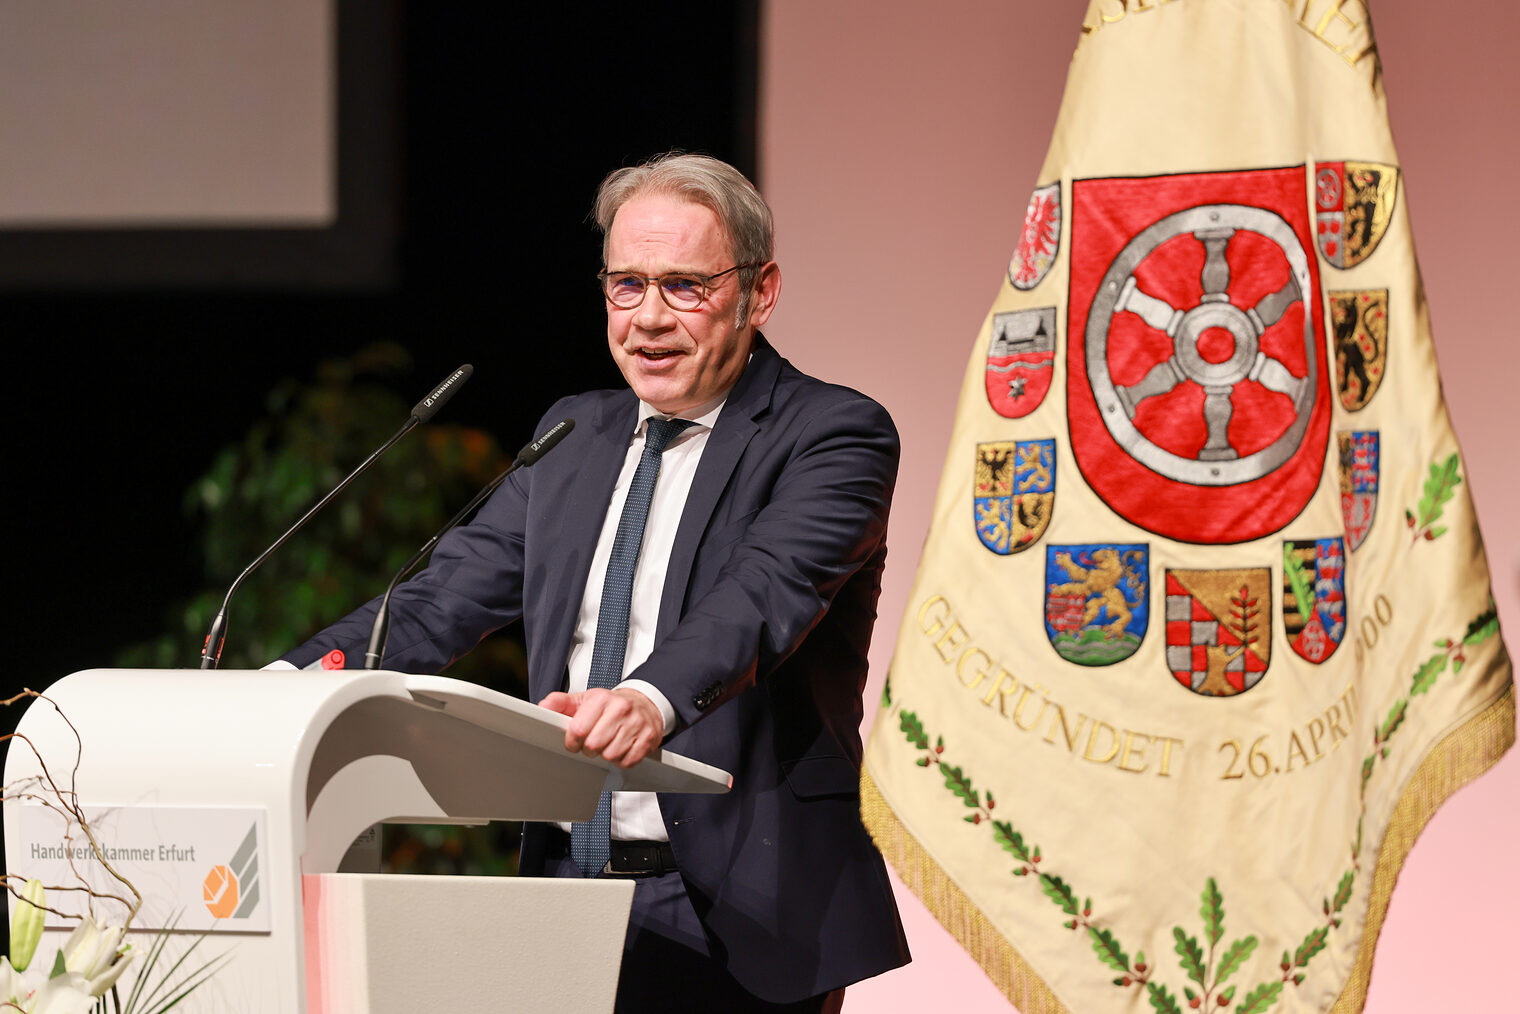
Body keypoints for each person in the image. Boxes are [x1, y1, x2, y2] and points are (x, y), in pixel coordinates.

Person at [280, 152, 910, 1011]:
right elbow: (442, 599)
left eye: (684, 286)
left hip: (736, 909)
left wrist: (649, 698)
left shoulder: (833, 434)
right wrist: (287, 687)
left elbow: (765, 595)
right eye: (627, 285)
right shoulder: (573, 432)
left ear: (760, 292)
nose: (649, 319)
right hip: (563, 885)